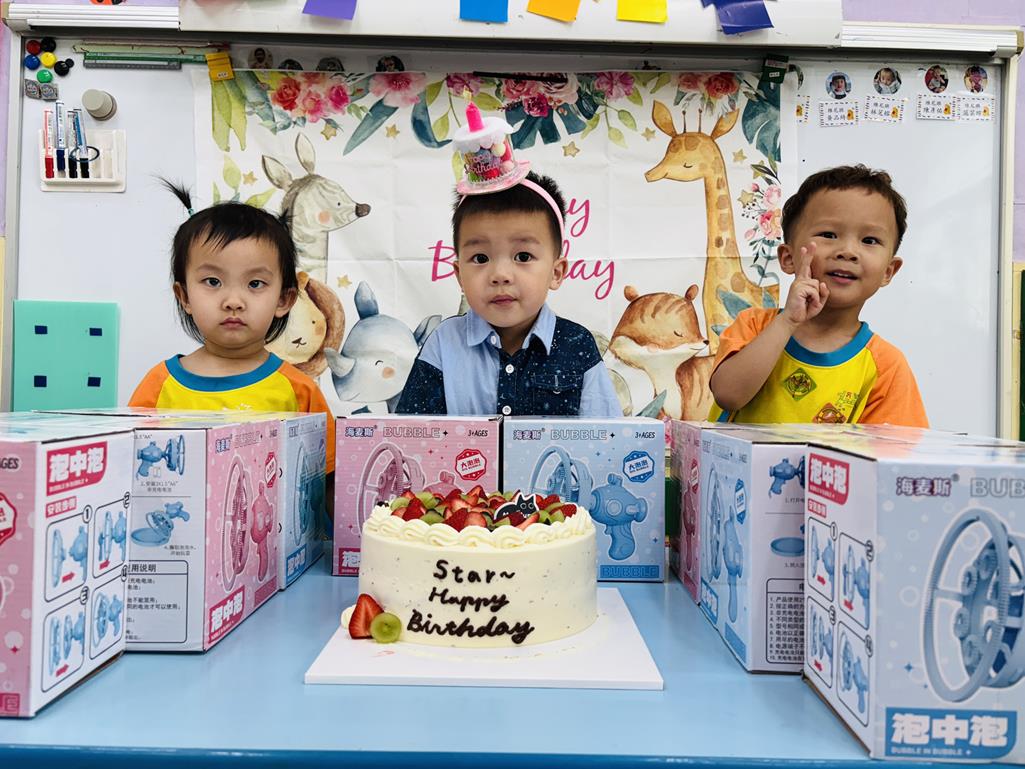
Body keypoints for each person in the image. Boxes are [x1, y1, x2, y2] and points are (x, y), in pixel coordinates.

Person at [129, 182, 335, 470]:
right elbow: (130, 467)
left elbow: (327, 481)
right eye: (213, 282)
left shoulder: (299, 391)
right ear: (185, 296)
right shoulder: (159, 386)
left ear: (284, 300)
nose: (233, 301)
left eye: (255, 284)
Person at [708, 165, 928, 427]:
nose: (848, 251)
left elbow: (896, 447)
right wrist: (787, 322)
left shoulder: (886, 366)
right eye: (828, 235)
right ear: (788, 258)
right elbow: (728, 395)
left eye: (869, 240)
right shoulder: (754, 325)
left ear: (888, 271)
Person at [396, 171, 621, 417]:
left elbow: (607, 435)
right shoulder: (443, 343)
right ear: (460, 275)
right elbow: (413, 433)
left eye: (523, 256)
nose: (500, 275)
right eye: (480, 258)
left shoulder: (577, 344)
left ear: (556, 273)